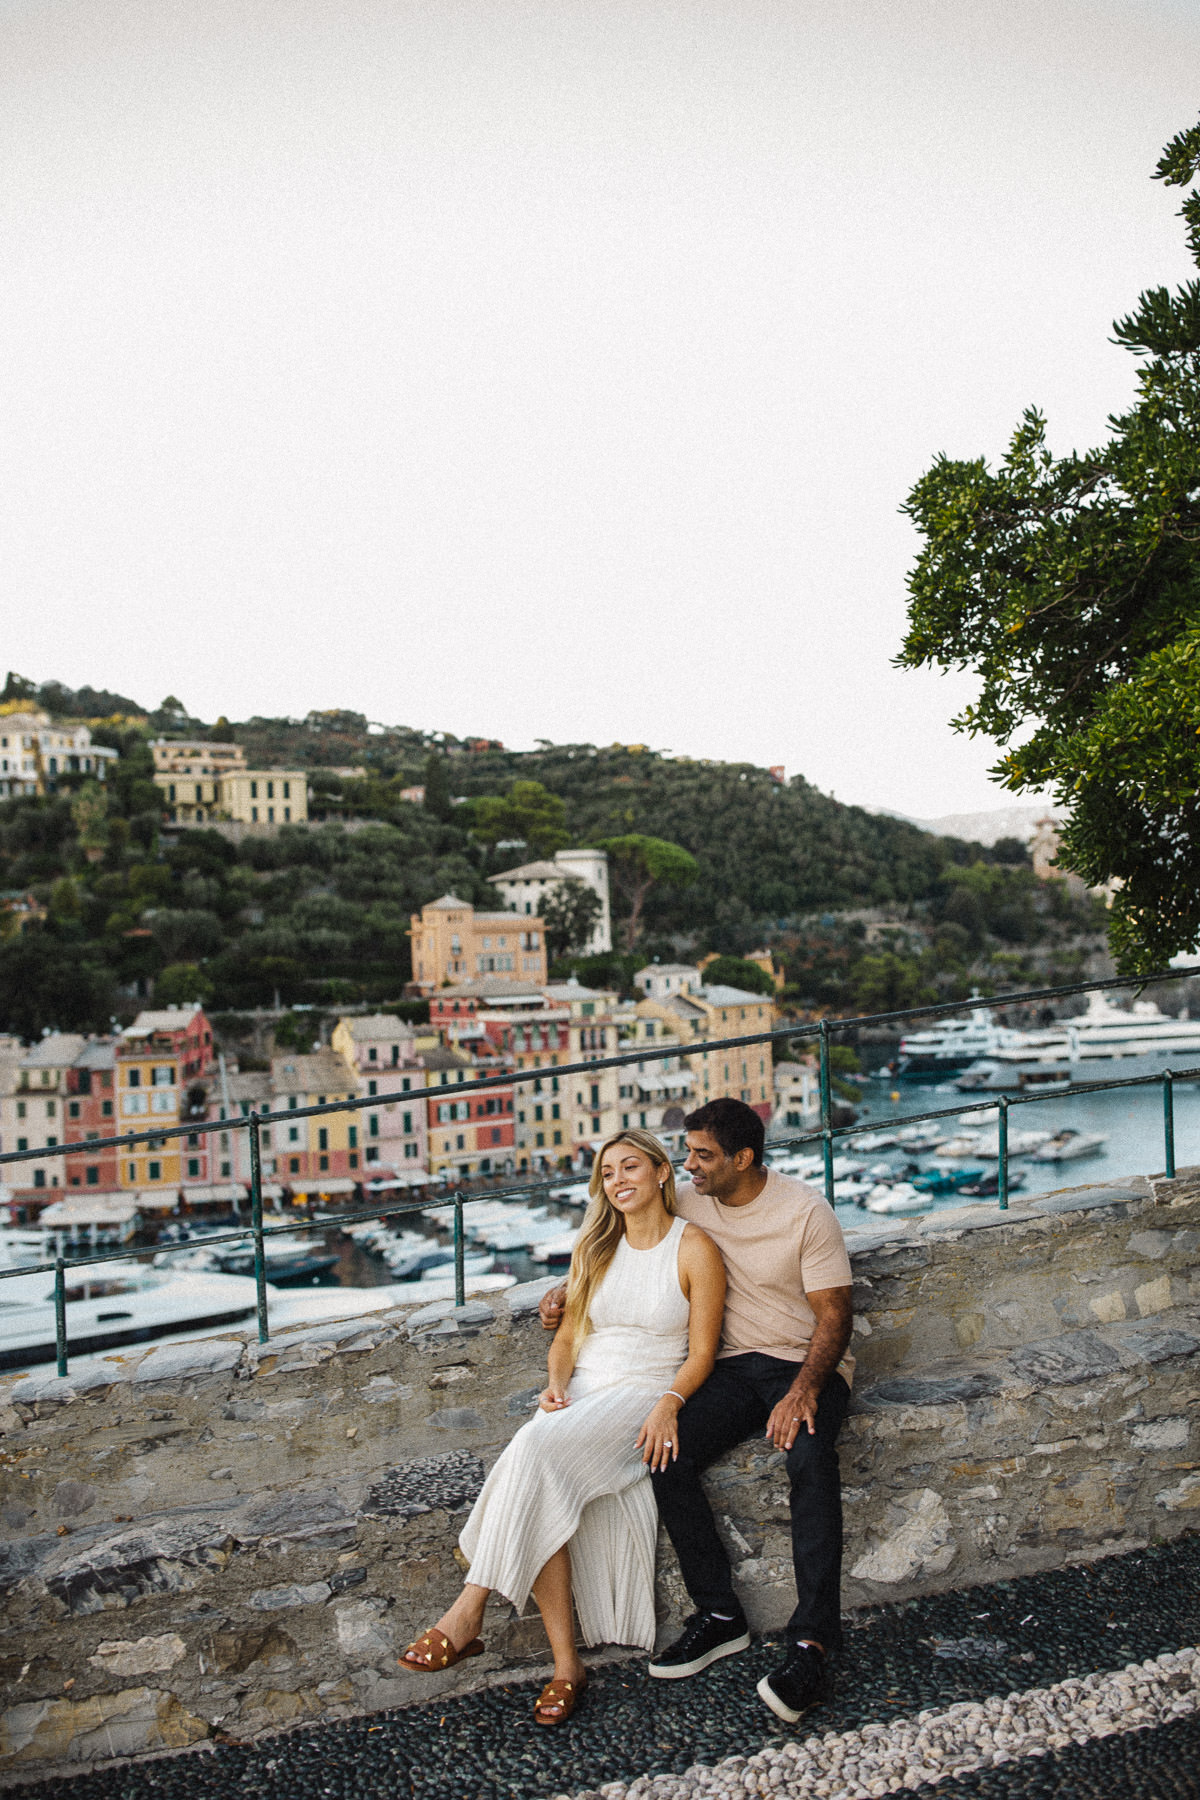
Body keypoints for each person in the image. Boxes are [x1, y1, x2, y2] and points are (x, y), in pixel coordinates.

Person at [540, 1097, 853, 1726]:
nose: (689, 1167)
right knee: (665, 1451)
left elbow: (835, 1316)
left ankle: (812, 1642)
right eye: (686, 1155)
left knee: (811, 1461)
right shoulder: (690, 1196)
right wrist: (567, 1293)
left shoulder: (805, 1213)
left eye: (703, 1156)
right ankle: (719, 1614)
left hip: (801, 1364)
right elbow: (629, 1239)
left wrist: (804, 1390)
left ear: (745, 1158)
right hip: (733, 1368)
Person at [400, 1127, 725, 1728]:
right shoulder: (595, 1246)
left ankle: (468, 1610)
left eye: (630, 1167)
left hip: (644, 1392)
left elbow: (702, 1352)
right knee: (539, 1465)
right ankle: (565, 1667)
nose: (619, 1180)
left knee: (534, 1451)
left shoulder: (693, 1246)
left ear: (660, 1173)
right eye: (607, 1173)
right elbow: (569, 1338)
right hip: (581, 1391)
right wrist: (555, 1383)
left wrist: (670, 1403)